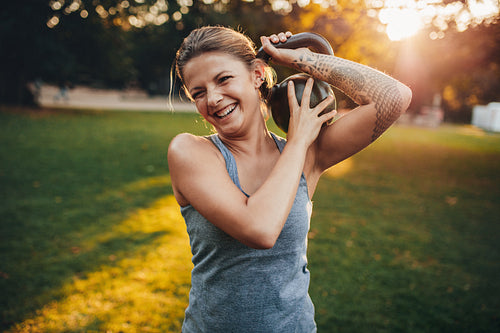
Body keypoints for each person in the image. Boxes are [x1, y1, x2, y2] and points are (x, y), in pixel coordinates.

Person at [168, 26, 411, 332]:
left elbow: (395, 96)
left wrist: (299, 59)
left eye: (223, 79)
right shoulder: (190, 152)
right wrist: (297, 142)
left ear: (258, 74)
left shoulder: (309, 154)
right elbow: (260, 230)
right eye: (198, 92)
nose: (213, 99)